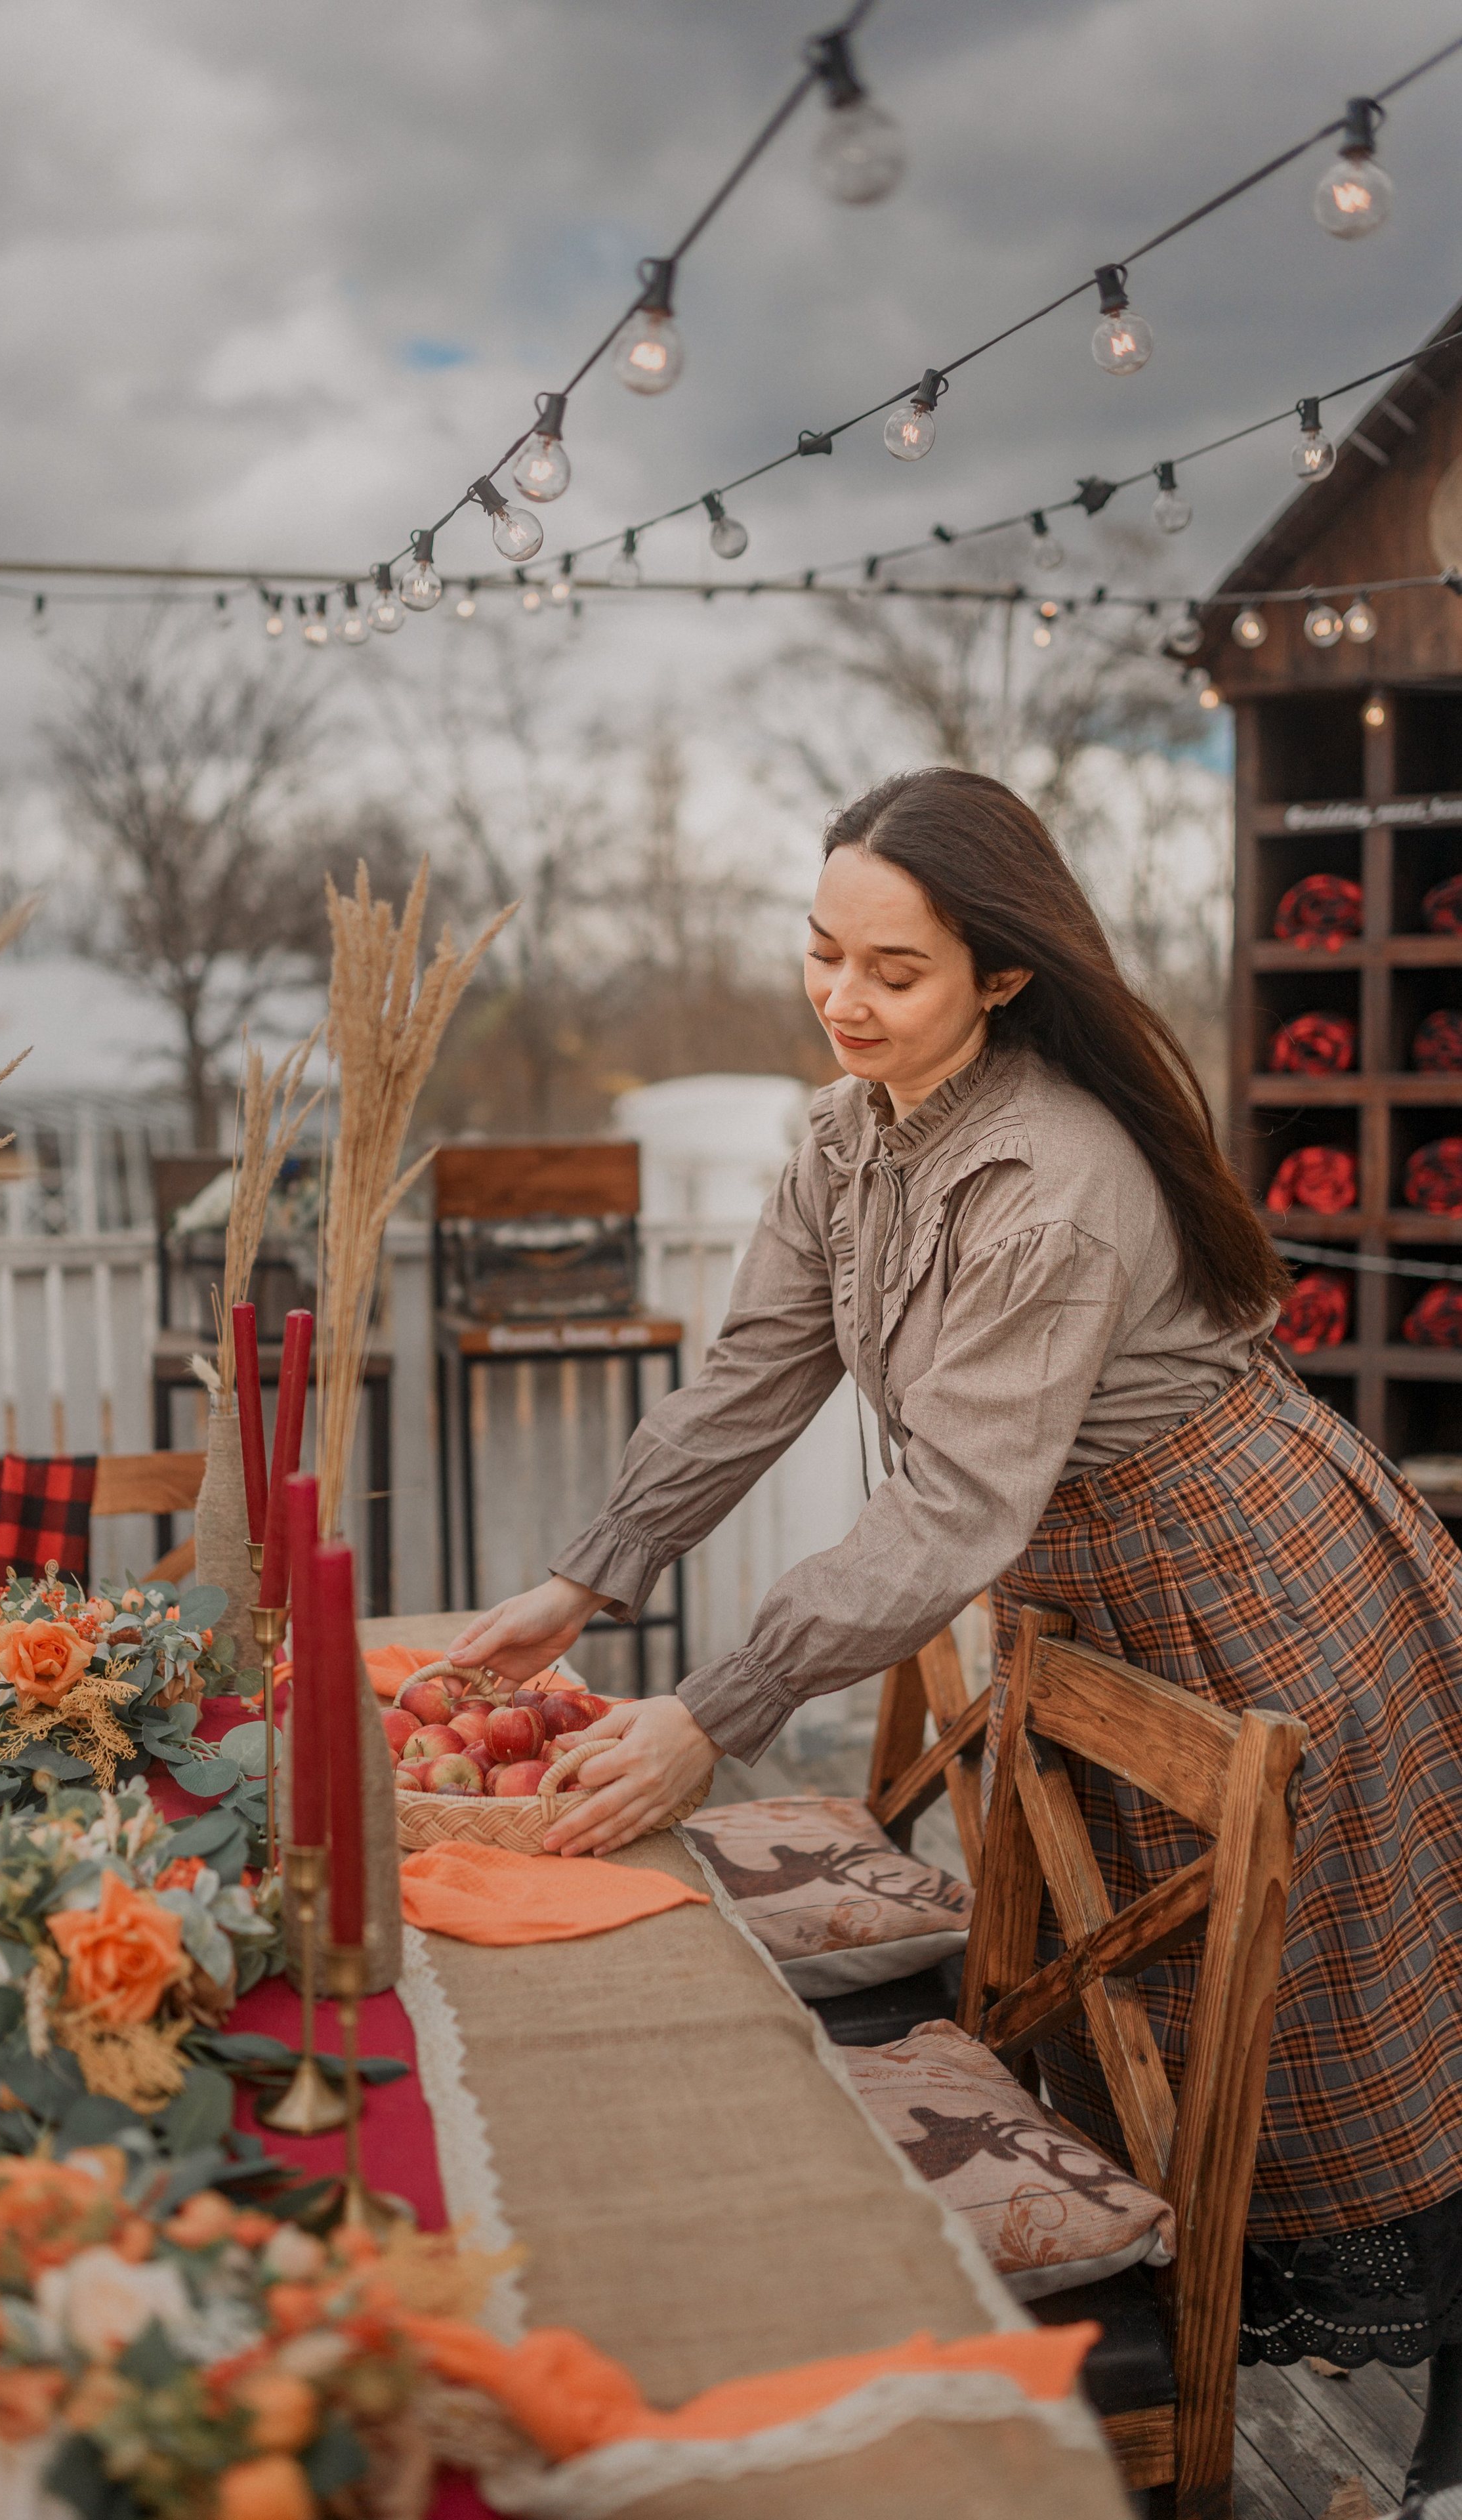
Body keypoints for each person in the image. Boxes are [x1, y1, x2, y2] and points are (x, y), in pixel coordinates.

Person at [449, 768, 1462, 2491]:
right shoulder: (850, 1139)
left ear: (1000, 973)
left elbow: (944, 1513)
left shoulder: (1052, 1184)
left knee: (1340, 1992)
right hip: (1092, 1578)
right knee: (1158, 2004)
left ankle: (1421, 2392)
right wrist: (586, 1577)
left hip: (1253, 1571)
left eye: (893, 970)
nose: (844, 998)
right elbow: (749, 1382)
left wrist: (716, 1705)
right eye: (823, 953)